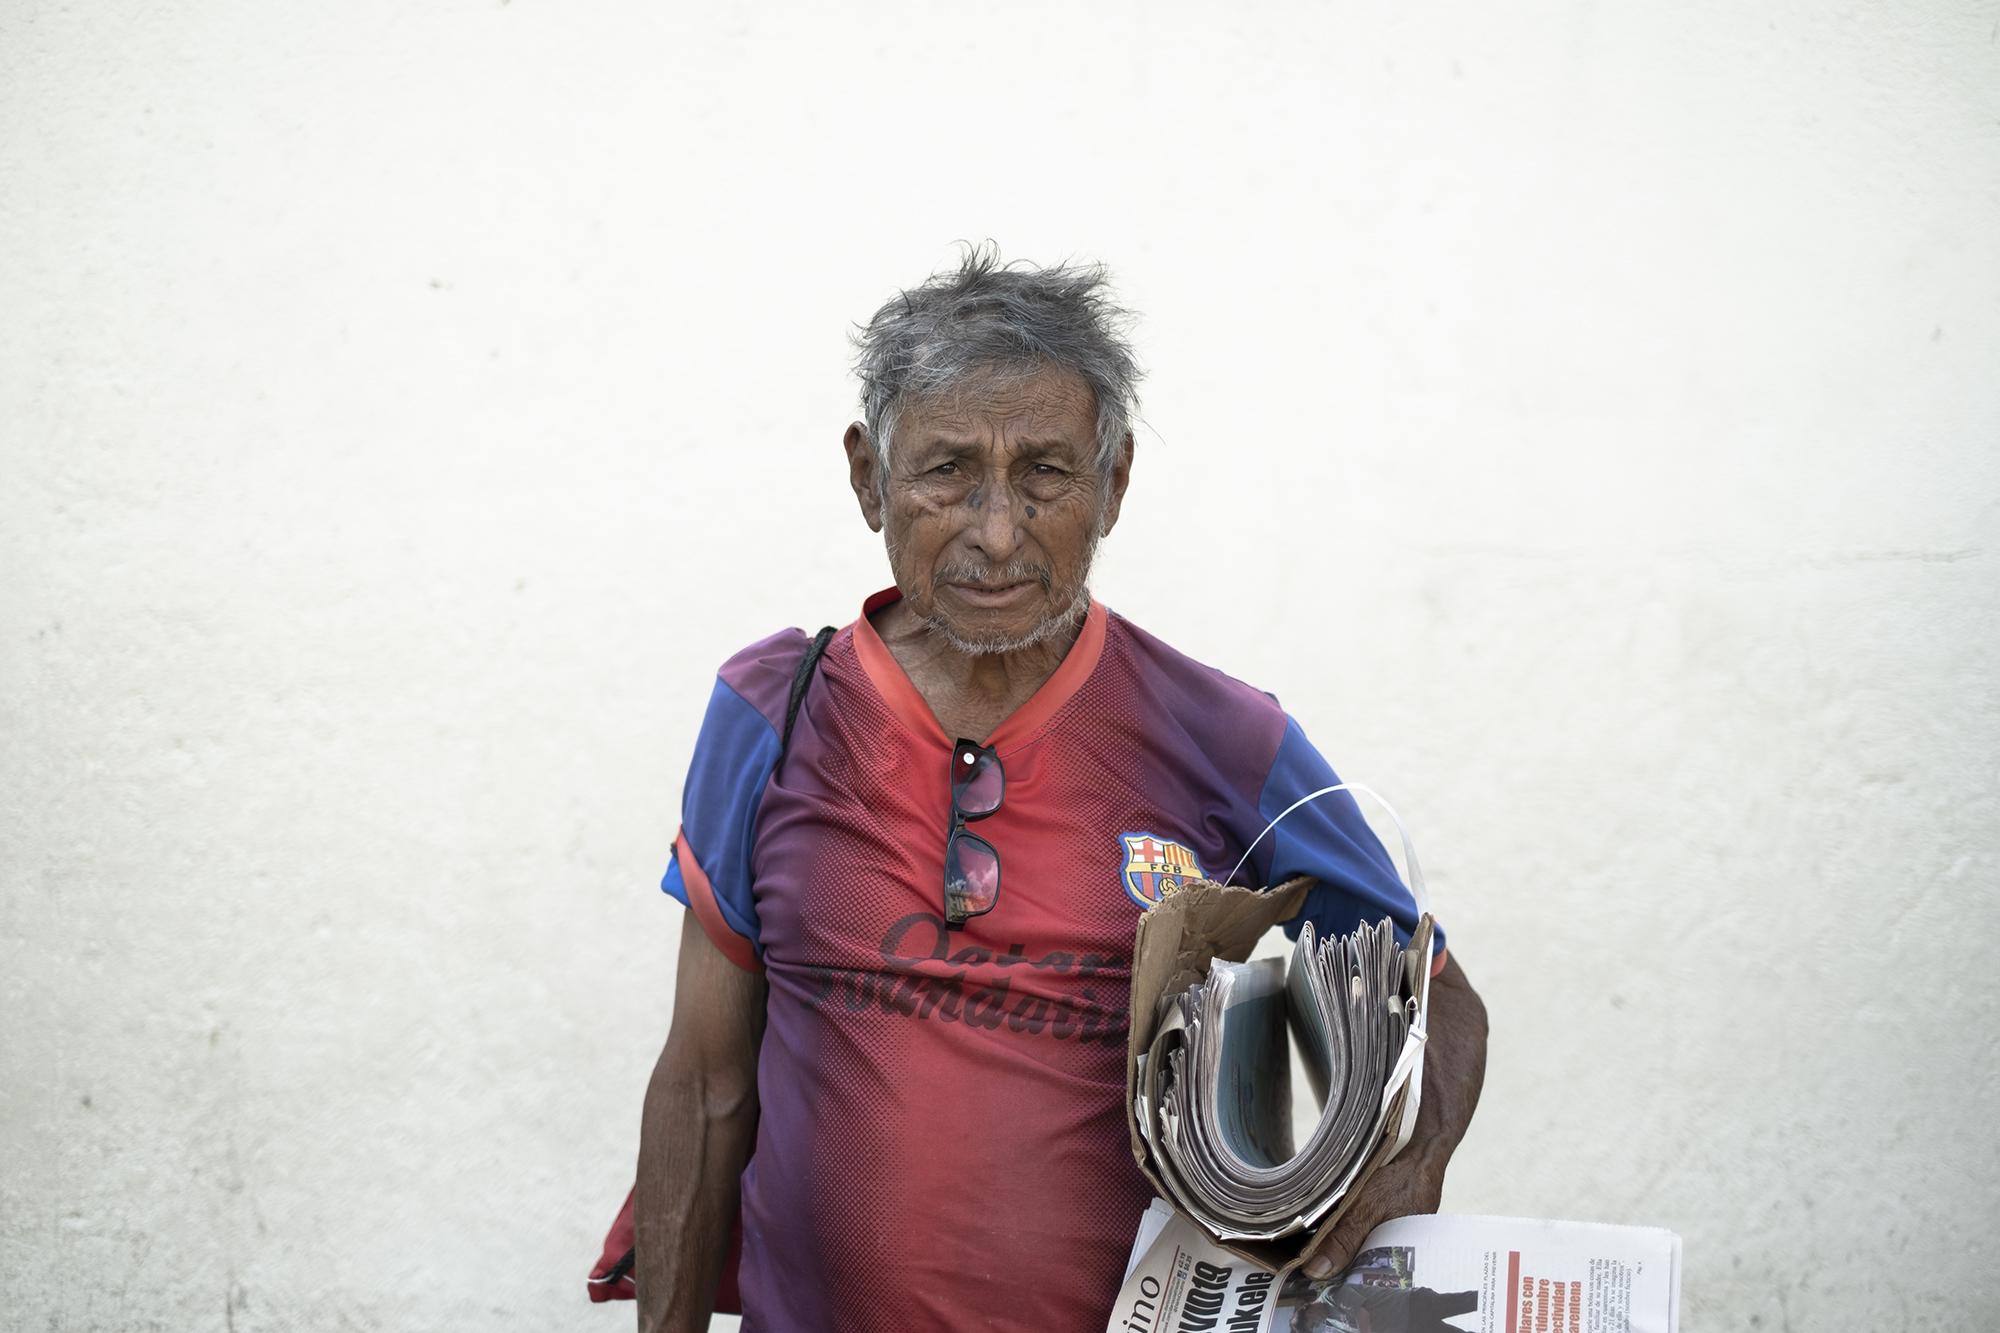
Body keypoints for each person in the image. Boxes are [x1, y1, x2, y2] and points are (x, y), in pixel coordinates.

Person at [629, 247, 1489, 1332]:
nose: (996, 531)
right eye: (945, 470)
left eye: (1045, 472)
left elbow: (1438, 996)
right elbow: (702, 1086)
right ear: (865, 478)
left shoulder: (1219, 735)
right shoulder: (772, 709)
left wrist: (1400, 1182)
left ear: (1113, 483)